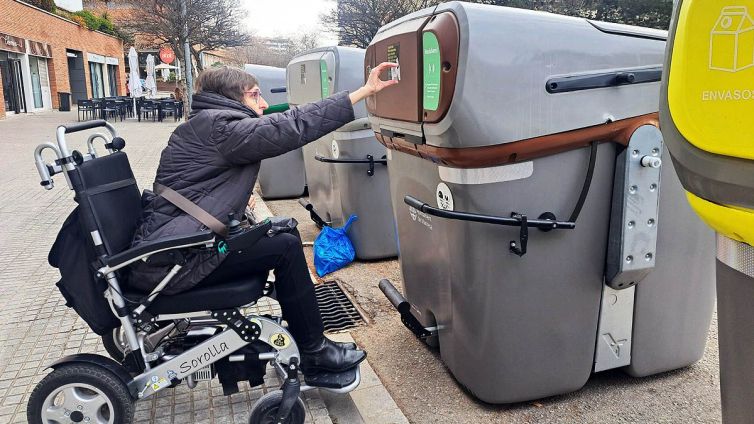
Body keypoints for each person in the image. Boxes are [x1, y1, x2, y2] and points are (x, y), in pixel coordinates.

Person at [129, 62, 398, 374]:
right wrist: (363, 93)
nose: (264, 103)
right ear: (232, 98)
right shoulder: (222, 128)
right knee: (284, 245)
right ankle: (313, 351)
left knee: (282, 232)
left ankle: (306, 337)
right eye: (255, 95)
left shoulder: (204, 124)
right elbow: (291, 125)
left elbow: (202, 186)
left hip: (174, 249)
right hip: (177, 260)